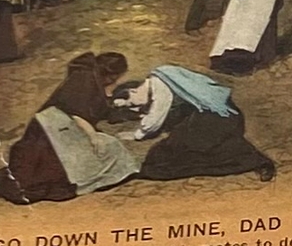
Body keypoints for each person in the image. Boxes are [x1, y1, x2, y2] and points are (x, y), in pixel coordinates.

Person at [0, 52, 142, 204]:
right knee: (111, 147)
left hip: (56, 127)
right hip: (57, 129)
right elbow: (77, 114)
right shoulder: (84, 80)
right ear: (112, 75)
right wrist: (93, 136)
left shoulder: (89, 77)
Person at [114, 65, 278, 182]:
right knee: (181, 147)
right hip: (216, 114)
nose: (136, 108)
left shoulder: (159, 84)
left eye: (132, 103)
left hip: (220, 116)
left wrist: (137, 135)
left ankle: (255, 161)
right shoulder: (161, 75)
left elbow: (156, 117)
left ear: (133, 90)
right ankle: (254, 160)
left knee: (170, 153)